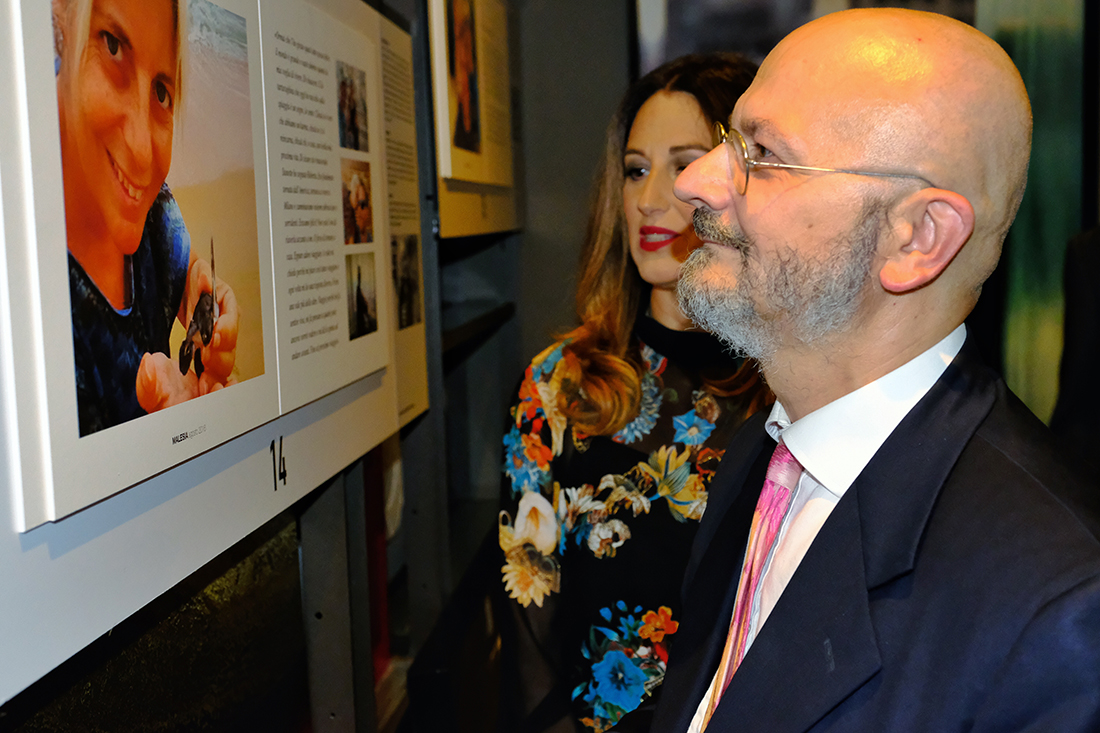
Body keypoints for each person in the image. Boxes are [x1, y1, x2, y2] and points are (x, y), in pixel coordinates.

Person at [652, 9, 1100, 732]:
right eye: (730, 140)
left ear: (917, 238)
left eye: (762, 153)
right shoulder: (763, 452)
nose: (696, 181)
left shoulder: (1060, 610)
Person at [497, 54, 768, 732]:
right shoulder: (558, 386)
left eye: (684, 164)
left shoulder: (792, 384)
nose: (650, 199)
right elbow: (528, 619)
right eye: (636, 169)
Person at [53, 0, 239, 435]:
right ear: (61, 17)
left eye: (161, 92)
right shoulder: (46, 321)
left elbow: (186, 266)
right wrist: (166, 440)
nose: (141, 151)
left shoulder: (153, 213)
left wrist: (201, 289)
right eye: (113, 46)